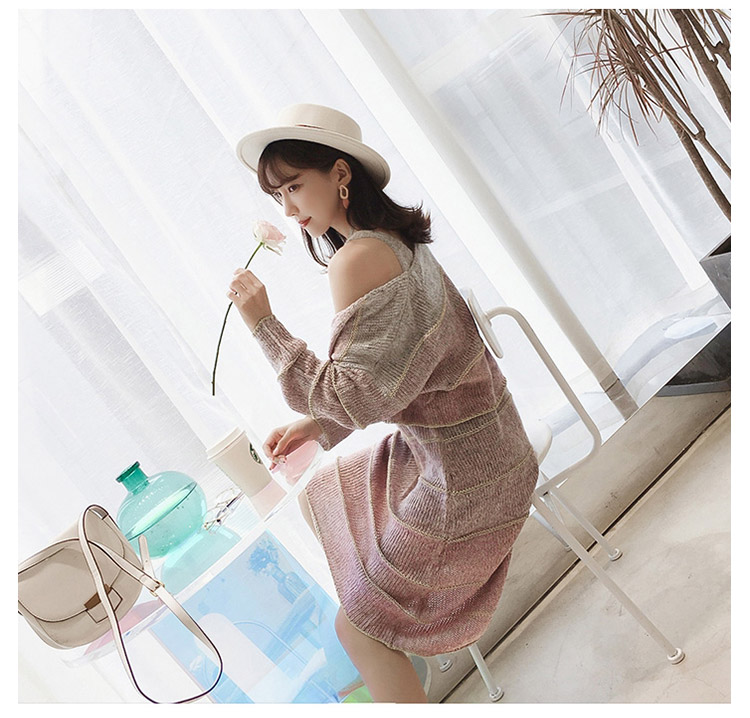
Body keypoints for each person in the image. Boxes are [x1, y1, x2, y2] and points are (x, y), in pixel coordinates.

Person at [227, 104, 539, 703]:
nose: (288, 210)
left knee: (356, 628)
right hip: (485, 439)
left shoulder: (357, 260)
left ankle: (387, 634)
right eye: (278, 195)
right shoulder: (395, 238)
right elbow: (391, 381)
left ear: (340, 174)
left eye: (295, 187)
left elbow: (352, 395)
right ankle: (395, 630)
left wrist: (263, 323)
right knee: (324, 490)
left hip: (468, 477)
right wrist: (317, 425)